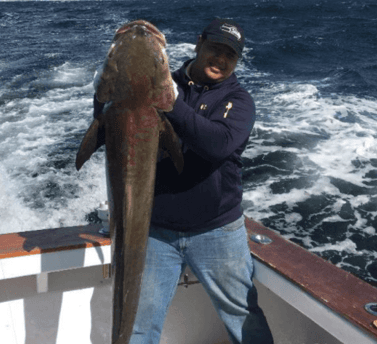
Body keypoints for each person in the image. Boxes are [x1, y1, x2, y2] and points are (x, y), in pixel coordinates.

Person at [94, 18, 274, 344]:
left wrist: (171, 103)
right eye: (214, 49)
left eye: (229, 55)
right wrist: (104, 94)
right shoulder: (156, 81)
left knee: (245, 320)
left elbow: (217, 144)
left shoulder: (239, 101)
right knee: (137, 325)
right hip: (155, 233)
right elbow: (112, 127)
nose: (220, 59)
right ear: (198, 43)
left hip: (217, 231)